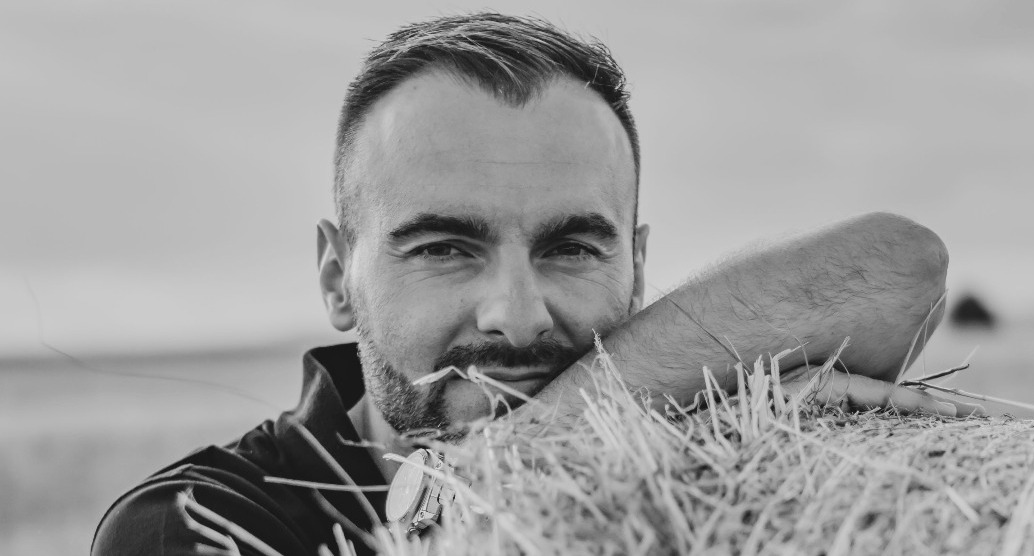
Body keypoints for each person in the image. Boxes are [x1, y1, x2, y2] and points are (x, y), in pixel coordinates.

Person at [92, 12, 980, 556]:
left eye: (571, 248)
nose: (516, 319)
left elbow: (898, 269)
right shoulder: (197, 523)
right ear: (337, 277)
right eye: (444, 248)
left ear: (637, 269)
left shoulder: (690, 461)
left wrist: (539, 453)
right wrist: (480, 489)